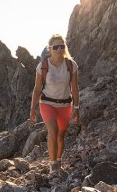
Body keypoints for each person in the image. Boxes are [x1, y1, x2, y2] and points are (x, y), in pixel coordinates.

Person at [29, 34, 80, 174]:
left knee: (61, 135)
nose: (59, 49)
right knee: (53, 131)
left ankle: (58, 160)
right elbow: (37, 88)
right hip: (47, 103)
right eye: (56, 47)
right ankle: (53, 165)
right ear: (50, 49)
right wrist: (32, 109)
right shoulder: (43, 66)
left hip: (65, 104)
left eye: (62, 46)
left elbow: (74, 88)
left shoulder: (71, 65)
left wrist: (76, 108)